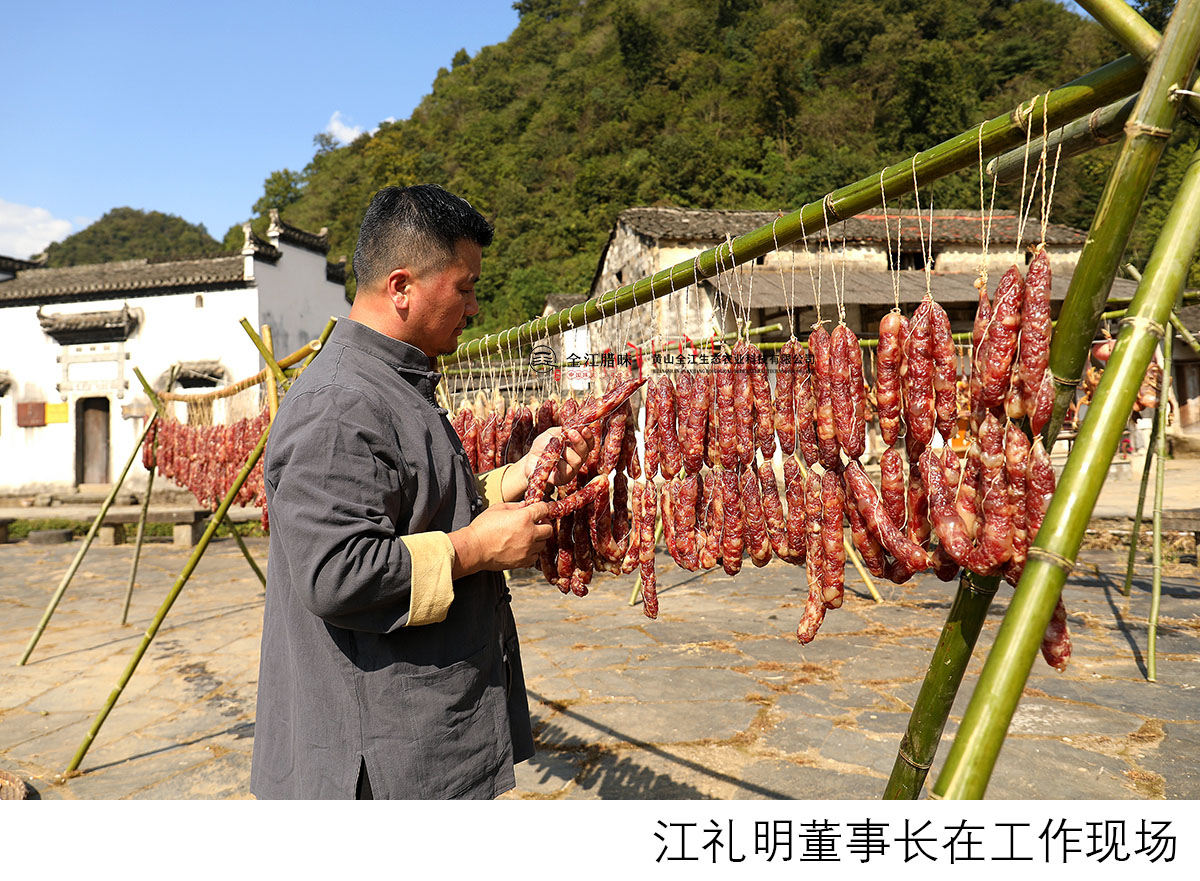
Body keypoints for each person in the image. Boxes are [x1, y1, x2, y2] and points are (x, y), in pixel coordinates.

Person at [250, 184, 592, 799]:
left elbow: (418, 504)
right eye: (464, 287)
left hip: (418, 736)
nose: (476, 307)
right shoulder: (340, 403)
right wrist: (476, 551)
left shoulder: (392, 384)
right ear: (401, 287)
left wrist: (521, 474)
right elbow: (338, 573)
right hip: (381, 763)